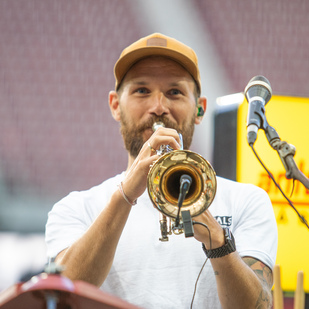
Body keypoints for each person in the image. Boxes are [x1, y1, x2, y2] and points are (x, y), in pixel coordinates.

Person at [45, 33, 278, 309]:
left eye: (175, 92)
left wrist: (218, 240)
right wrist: (125, 195)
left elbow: (259, 306)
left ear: (199, 110)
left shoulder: (247, 201)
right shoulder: (75, 208)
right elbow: (63, 294)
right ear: (115, 106)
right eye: (142, 91)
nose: (159, 108)